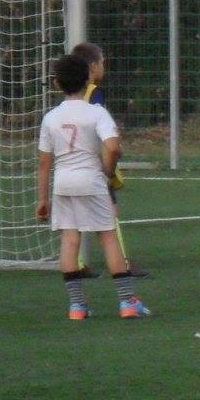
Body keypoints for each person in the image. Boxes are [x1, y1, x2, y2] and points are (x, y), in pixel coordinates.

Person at [34, 53, 151, 319]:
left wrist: (42, 199)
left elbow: (43, 163)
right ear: (88, 79)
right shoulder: (96, 112)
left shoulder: (51, 117)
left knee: (70, 239)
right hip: (91, 180)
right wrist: (107, 169)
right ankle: (127, 302)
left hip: (63, 183)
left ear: (57, 83)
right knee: (108, 236)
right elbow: (113, 146)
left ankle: (77, 307)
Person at [68, 41, 147, 279]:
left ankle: (76, 264)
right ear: (93, 67)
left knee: (75, 216)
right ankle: (122, 263)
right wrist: (110, 156)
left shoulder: (71, 97)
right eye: (102, 62)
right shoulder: (94, 94)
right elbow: (97, 128)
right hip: (93, 163)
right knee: (110, 210)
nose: (104, 66)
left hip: (71, 163)